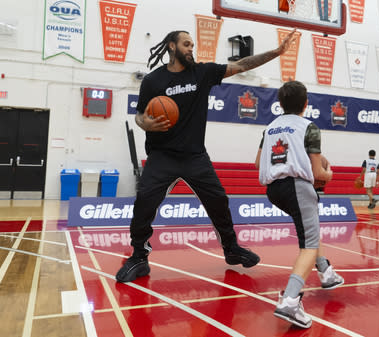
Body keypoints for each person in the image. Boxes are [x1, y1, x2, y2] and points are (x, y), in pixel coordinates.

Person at [116, 29, 297, 283]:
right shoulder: (153, 81)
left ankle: (231, 249)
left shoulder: (202, 73)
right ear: (171, 46)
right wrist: (145, 123)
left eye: (193, 45)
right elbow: (139, 115)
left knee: (218, 200)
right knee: (144, 201)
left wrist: (277, 52)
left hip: (194, 156)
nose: (191, 48)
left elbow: (242, 64)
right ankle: (139, 256)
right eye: (186, 44)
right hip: (162, 155)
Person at [254, 81, 344, 329]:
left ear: (280, 105)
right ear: (306, 103)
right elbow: (317, 173)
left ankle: (325, 272)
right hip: (297, 187)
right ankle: (290, 300)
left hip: (274, 189)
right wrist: (330, 173)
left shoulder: (270, 128)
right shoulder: (309, 127)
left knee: (310, 229)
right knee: (309, 244)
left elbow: (257, 163)